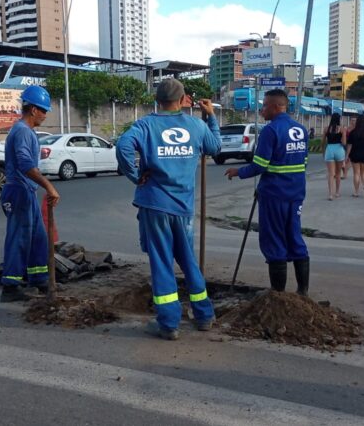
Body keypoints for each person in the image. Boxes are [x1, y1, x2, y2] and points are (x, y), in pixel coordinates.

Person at [116, 78, 220, 341]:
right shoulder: (196, 125)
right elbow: (215, 147)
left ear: (158, 99)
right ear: (183, 99)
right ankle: (204, 315)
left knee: (162, 263)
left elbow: (123, 145)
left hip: (155, 204)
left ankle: (169, 323)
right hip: (183, 207)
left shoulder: (146, 125)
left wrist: (134, 174)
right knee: (188, 261)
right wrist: (211, 118)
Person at [225, 89, 310, 297]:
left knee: (273, 240)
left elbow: (259, 166)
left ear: (274, 106)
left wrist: (238, 172)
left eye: (263, 106)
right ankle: (302, 292)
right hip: (296, 193)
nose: (261, 110)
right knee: (294, 237)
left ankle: (278, 294)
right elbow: (303, 162)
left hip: (274, 194)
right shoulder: (300, 129)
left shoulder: (271, 131)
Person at [0, 86, 61, 303]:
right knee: (20, 238)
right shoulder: (23, 131)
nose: (45, 115)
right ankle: (10, 286)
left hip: (27, 191)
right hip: (18, 191)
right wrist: (49, 186)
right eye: (43, 110)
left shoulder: (26, 131)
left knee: (38, 238)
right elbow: (26, 164)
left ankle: (39, 278)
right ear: (33, 109)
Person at [322, 113, 347, 200]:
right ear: (339, 119)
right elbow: (344, 143)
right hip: (339, 150)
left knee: (331, 174)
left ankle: (330, 194)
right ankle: (337, 192)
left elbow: (323, 142)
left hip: (329, 149)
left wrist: (323, 152)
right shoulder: (342, 129)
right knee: (338, 173)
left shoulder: (326, 129)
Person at [346, 115, 364, 197]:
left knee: (356, 173)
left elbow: (349, 146)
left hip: (355, 154)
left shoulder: (353, 133)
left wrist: (346, 156)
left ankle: (356, 192)